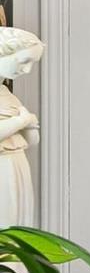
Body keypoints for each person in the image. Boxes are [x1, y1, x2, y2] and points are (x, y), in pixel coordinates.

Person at [0, 28, 44, 227]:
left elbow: (31, 142)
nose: (27, 70)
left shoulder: (8, 95)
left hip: (17, 168)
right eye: (24, 61)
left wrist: (31, 125)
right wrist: (21, 121)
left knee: (17, 230)